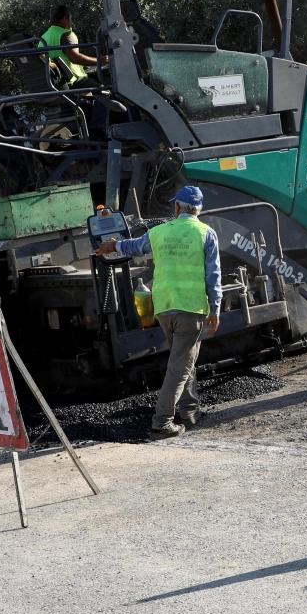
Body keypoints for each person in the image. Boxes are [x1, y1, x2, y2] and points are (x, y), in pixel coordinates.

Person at [93, 185, 221, 439]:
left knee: (184, 360)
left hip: (164, 308)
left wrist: (111, 246)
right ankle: (162, 422)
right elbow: (213, 275)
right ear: (199, 209)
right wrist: (215, 309)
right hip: (191, 308)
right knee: (181, 365)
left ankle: (190, 412)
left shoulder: (158, 232)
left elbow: (133, 247)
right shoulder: (206, 233)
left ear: (177, 208)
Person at [41, 4, 98, 87]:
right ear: (65, 19)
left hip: (54, 83)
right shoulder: (66, 34)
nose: (72, 23)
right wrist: (100, 61)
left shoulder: (43, 38)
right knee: (108, 93)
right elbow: (75, 58)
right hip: (72, 81)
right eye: (71, 19)